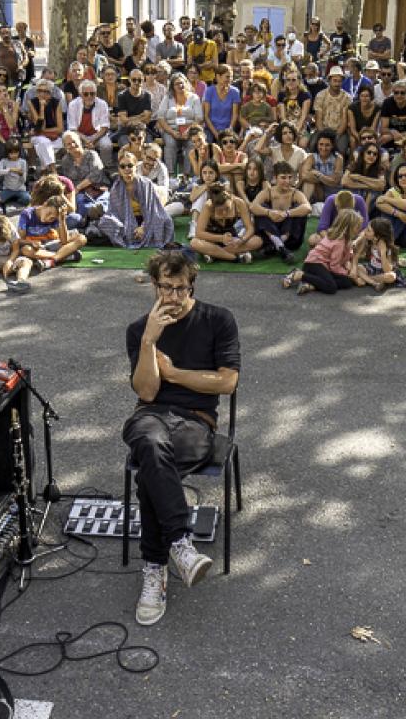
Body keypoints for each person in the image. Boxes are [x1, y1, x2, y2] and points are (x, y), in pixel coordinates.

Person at [123, 250, 232, 625]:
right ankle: (181, 546)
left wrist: (176, 374)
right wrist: (149, 344)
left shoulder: (218, 320)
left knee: (151, 474)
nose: (172, 296)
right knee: (151, 446)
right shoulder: (140, 330)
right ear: (154, 286)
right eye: (165, 288)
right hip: (150, 417)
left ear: (192, 285)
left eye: (180, 288)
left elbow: (227, 382)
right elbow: (147, 392)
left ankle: (155, 567)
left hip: (196, 422)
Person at [97, 152, 175, 249]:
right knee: (105, 221)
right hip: (125, 221)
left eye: (130, 165)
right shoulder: (116, 188)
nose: (127, 169)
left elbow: (152, 211)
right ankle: (128, 236)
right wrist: (128, 225)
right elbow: (114, 212)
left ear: (135, 167)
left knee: (166, 220)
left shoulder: (146, 184)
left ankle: (135, 236)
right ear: (119, 169)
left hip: (147, 219)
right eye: (123, 166)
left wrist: (143, 227)